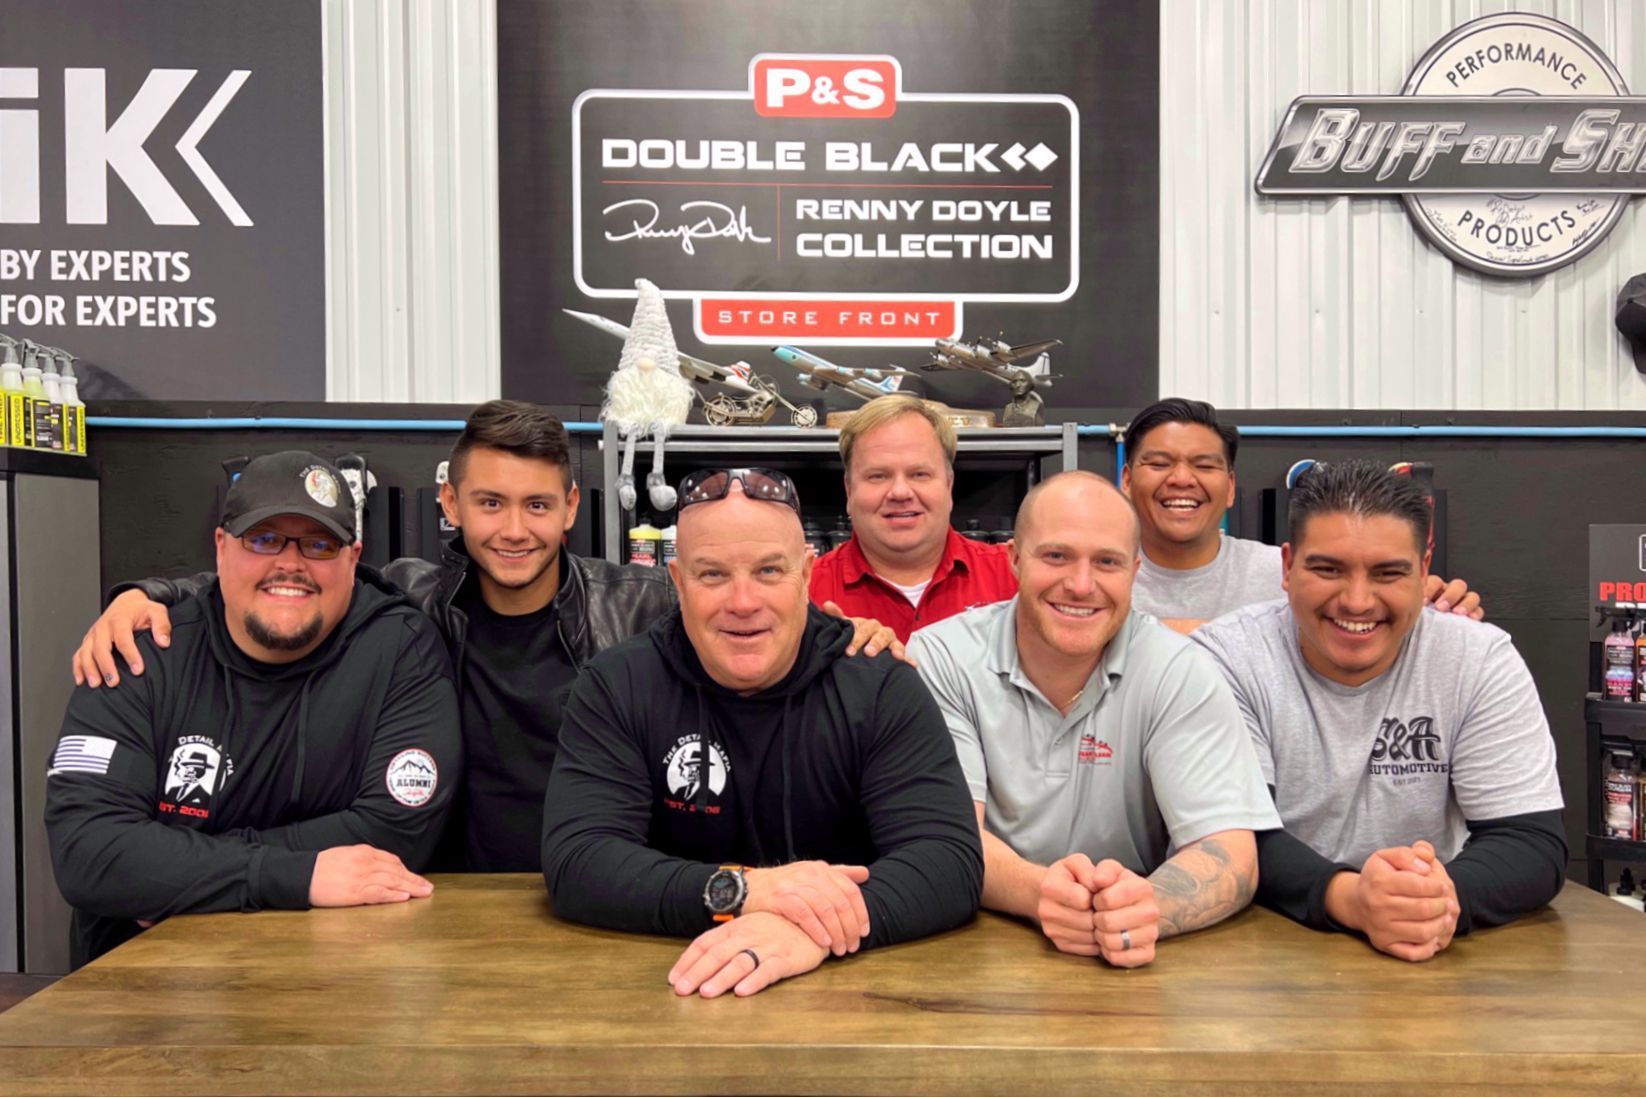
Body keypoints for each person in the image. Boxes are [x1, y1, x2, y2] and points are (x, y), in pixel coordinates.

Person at [72, 404, 901, 871]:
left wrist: (846, 631)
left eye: (538, 505)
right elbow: (298, 581)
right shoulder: (408, 594)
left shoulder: (644, 600)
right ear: (451, 506)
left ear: (572, 509)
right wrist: (147, 594)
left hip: (618, 882)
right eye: (491, 504)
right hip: (450, 891)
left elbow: (755, 613)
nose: (514, 529)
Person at [542, 467, 983, 998]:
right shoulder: (619, 684)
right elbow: (579, 861)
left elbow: (949, 862)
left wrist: (805, 928)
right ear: (677, 583)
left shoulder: (880, 685)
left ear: (807, 574)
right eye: (712, 575)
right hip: (663, 991)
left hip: (857, 1000)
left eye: (770, 571)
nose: (744, 602)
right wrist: (746, 891)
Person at [45, 451, 462, 967]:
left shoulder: (400, 649)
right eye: (263, 539)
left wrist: (175, 870)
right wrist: (295, 874)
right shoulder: (139, 650)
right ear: (220, 548)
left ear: (354, 559)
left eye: (318, 543)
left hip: (342, 980)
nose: (290, 563)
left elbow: (395, 833)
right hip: (141, 993)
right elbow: (89, 853)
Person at [1192, 459, 1566, 962]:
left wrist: (1432, 902)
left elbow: (1530, 841)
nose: (1357, 601)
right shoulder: (1226, 659)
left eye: (1389, 573)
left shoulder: (1479, 659)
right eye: (1328, 569)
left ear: (1424, 567)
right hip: (1261, 953)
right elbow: (1233, 835)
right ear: (1287, 567)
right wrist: (1353, 900)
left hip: (1432, 957)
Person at [907, 471, 1278, 968]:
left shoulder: (1179, 669)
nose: (1081, 585)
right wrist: (1045, 894)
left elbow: (1229, 851)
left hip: (1134, 953)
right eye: (1056, 556)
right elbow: (951, 837)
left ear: (1135, 571)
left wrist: (1147, 905)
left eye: (1107, 562)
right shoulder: (942, 657)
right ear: (1014, 559)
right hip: (967, 952)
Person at [1121, 398, 1481, 631]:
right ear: (1126, 480)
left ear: (1230, 487)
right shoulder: (1094, 579)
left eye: (1203, 465)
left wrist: (1438, 611)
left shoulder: (1295, 574)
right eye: (1159, 463)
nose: (1182, 479)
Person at [809, 394, 1017, 641]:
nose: (900, 492)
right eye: (878, 476)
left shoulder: (1015, 579)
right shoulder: (803, 592)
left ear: (949, 486)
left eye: (919, 474)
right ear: (849, 490)